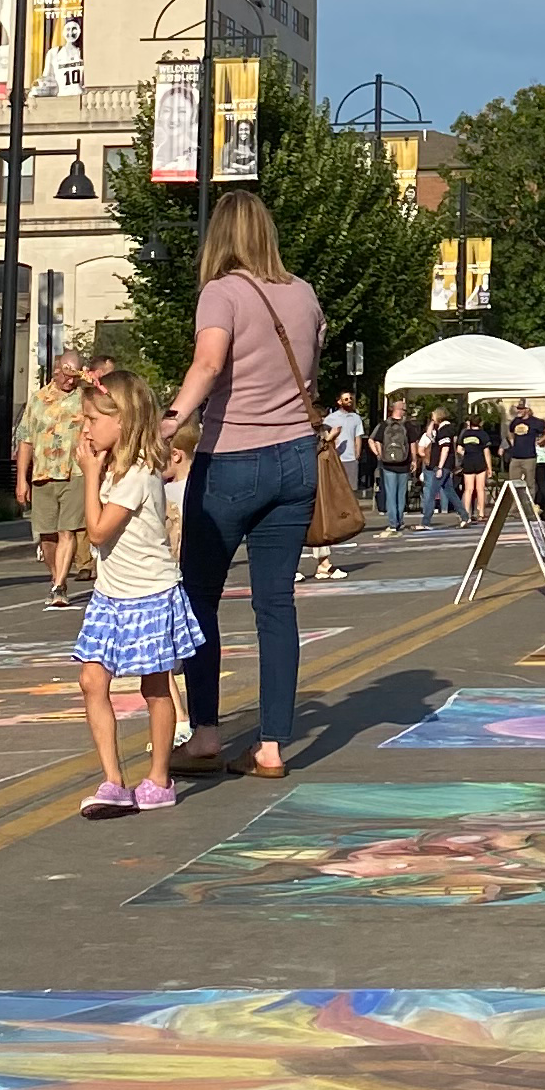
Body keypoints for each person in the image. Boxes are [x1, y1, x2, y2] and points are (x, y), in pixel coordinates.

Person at [163, 188, 326, 782]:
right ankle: (272, 746)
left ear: (220, 237)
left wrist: (170, 419)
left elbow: (209, 364)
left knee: (199, 596)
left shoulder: (221, 292)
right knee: (275, 605)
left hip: (232, 457)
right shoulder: (304, 294)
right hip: (296, 460)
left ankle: (205, 732)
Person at [70, 369, 203, 817]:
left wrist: (89, 474)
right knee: (92, 679)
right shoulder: (114, 467)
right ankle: (112, 779)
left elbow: (98, 532)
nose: (85, 427)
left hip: (149, 593)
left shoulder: (139, 475)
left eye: (92, 418)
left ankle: (159, 778)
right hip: (111, 594)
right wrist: (95, 468)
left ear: (123, 420)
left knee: (154, 684)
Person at [17, 353, 89, 606]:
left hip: (75, 473)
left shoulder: (87, 398)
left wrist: (91, 380)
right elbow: (25, 440)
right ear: (56, 371)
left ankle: (59, 586)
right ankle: (56, 577)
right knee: (47, 535)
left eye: (75, 377)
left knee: (67, 531)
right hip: (42, 474)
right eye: (67, 376)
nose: (70, 382)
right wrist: (21, 481)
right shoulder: (38, 400)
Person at [376, 397, 417, 535]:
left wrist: (380, 454)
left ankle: (393, 523)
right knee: (401, 494)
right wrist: (414, 460)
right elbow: (412, 444)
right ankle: (399, 521)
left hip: (388, 464)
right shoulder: (408, 425)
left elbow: (374, 440)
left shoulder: (384, 425)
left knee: (390, 494)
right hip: (404, 464)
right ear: (401, 410)